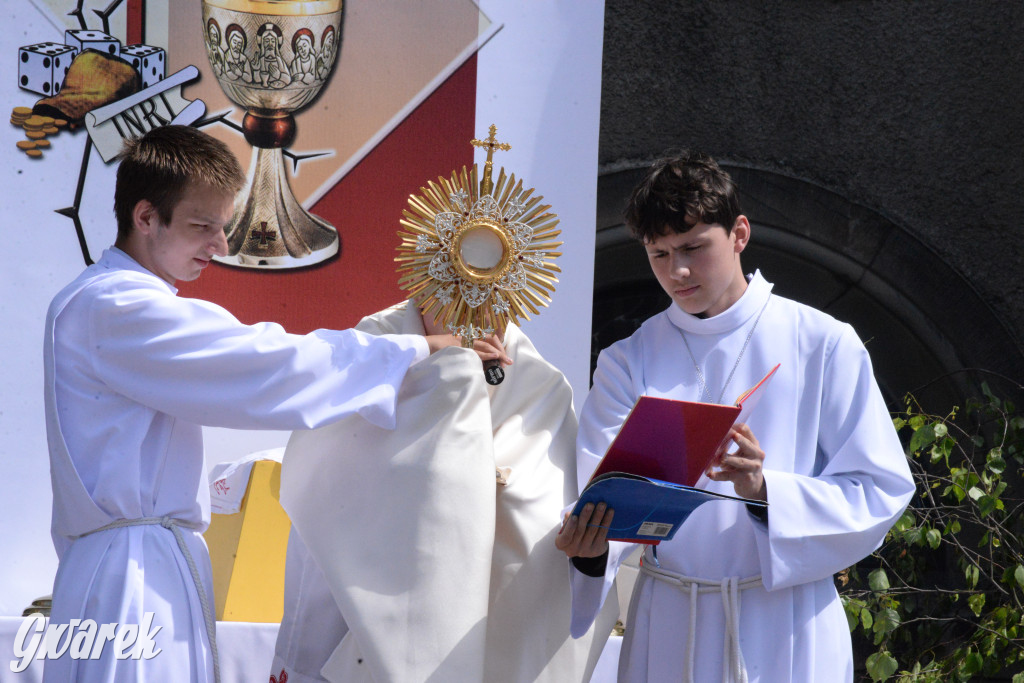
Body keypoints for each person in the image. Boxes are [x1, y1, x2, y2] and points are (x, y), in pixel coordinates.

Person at [42, 125, 505, 683]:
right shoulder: (114, 307)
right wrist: (416, 352)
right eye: (201, 226)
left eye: (223, 226)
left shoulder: (121, 302)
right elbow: (266, 364)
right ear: (145, 217)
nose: (218, 244)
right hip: (129, 579)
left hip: (146, 564)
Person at [556, 150, 915, 682]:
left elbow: (879, 489)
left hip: (784, 623)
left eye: (692, 248)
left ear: (739, 234)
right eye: (658, 254)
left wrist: (766, 491)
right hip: (671, 619)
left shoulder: (822, 343)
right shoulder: (626, 362)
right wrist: (589, 548)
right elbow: (600, 495)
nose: (676, 271)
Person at [271, 300, 617, 683]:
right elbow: (327, 475)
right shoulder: (378, 343)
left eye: (491, 301)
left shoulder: (539, 382)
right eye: (455, 299)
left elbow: (548, 523)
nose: (474, 319)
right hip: (355, 618)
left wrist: (582, 545)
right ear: (426, 290)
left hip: (490, 625)